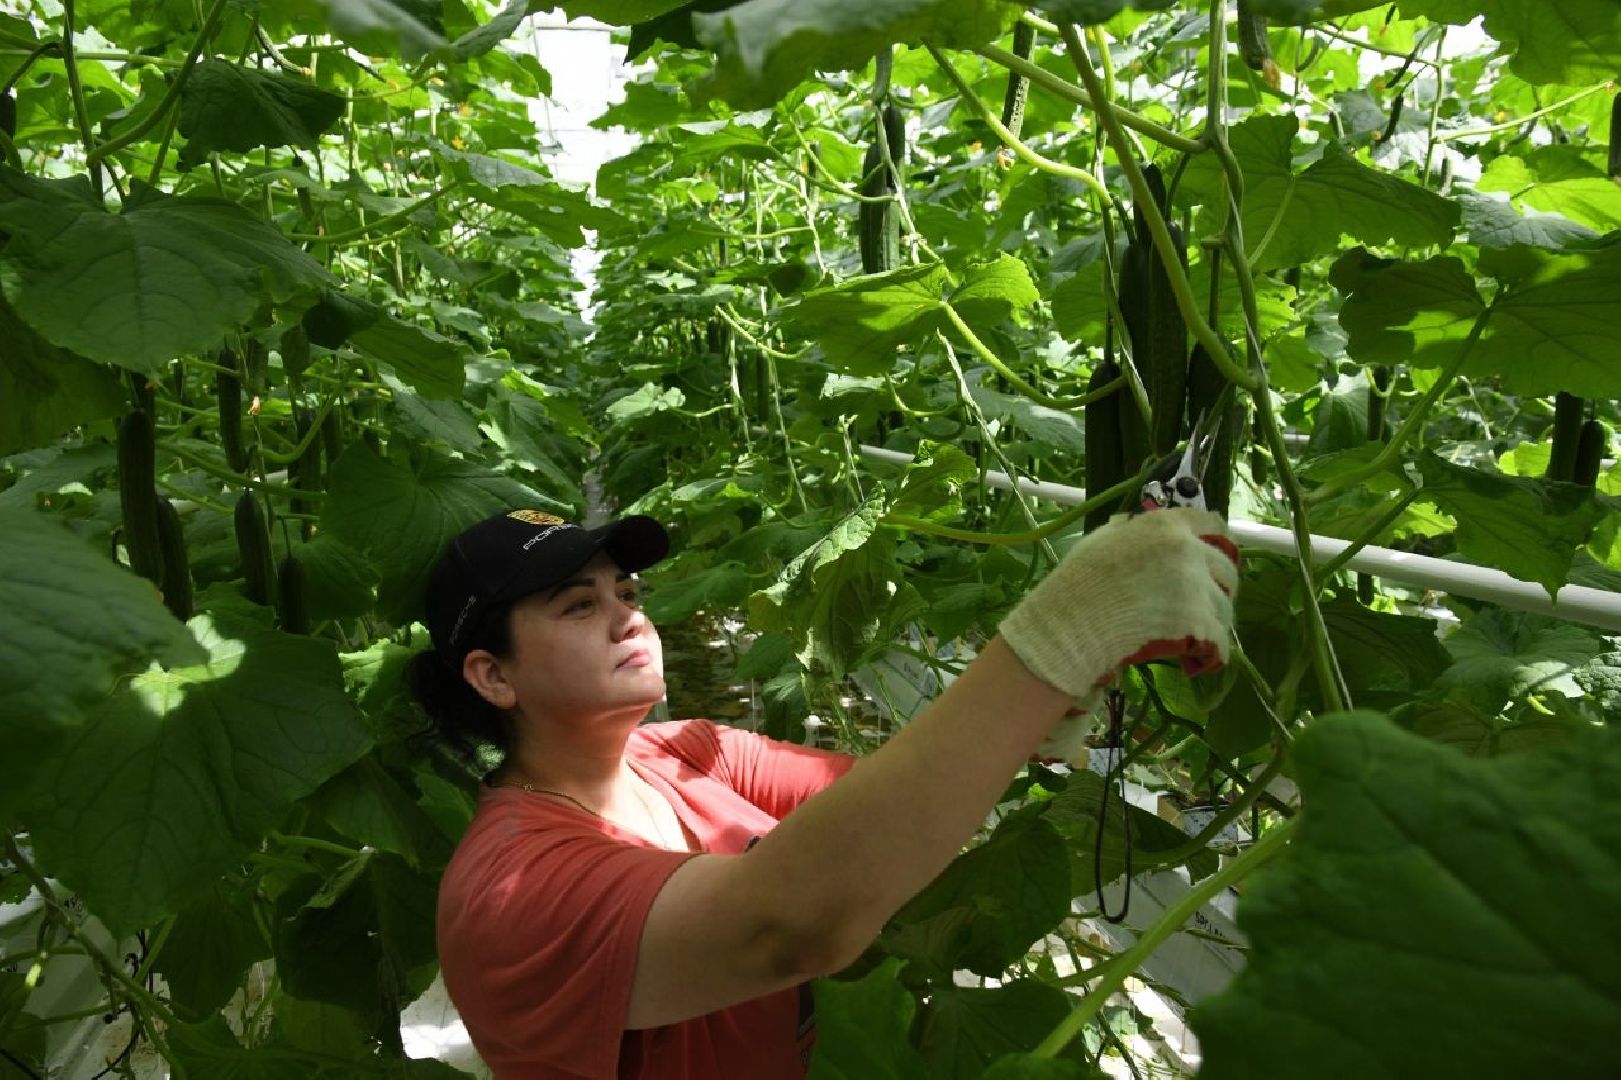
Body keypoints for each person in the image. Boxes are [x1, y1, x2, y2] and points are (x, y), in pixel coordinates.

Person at [409, 506, 1238, 1079]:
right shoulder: (509, 889)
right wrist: (1061, 634)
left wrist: (1034, 708)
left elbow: (891, 806)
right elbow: (787, 927)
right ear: (492, 675)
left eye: (627, 594)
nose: (628, 618)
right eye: (577, 606)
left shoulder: (690, 754)